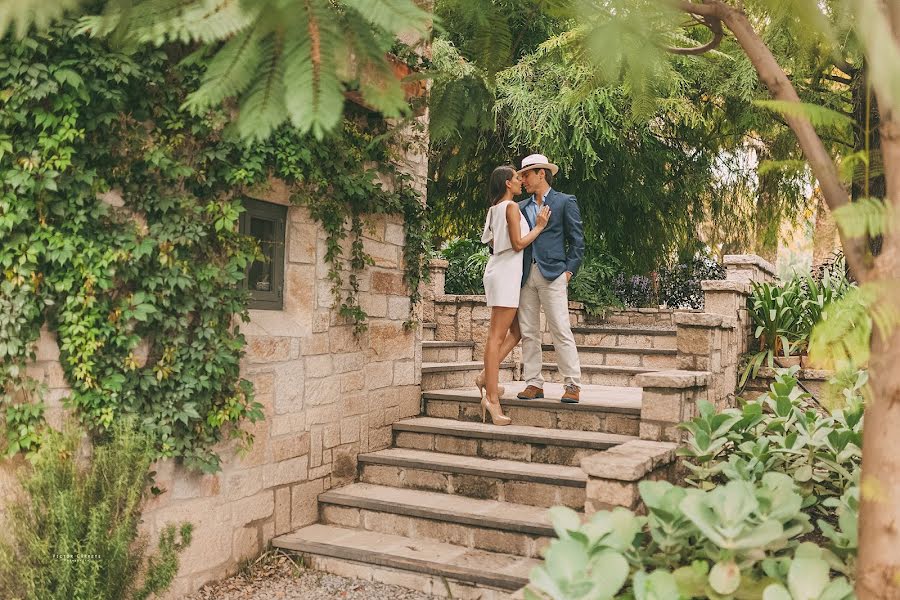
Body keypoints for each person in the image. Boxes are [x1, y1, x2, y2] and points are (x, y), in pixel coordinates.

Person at [478, 165, 550, 425]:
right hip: (506, 275)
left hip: (500, 270)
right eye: (517, 178)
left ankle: (487, 376)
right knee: (496, 337)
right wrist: (540, 226)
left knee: (517, 332)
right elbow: (518, 243)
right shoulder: (510, 208)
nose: (521, 181)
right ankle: (492, 399)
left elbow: (493, 243)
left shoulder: (494, 209)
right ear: (508, 183)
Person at [516, 154, 585, 403]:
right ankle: (533, 383)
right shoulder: (521, 207)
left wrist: (568, 272)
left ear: (541, 174)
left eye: (526, 175)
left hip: (553, 273)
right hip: (526, 276)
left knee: (560, 328)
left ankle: (572, 385)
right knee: (529, 332)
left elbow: (577, 241)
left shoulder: (565, 202)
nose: (522, 180)